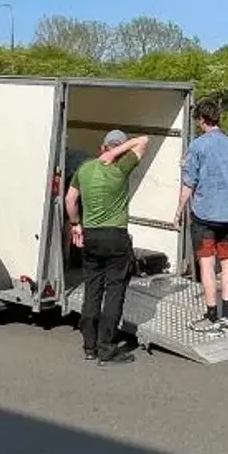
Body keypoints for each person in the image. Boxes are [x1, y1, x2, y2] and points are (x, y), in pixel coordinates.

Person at [65, 129, 150, 366]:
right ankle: (106, 348)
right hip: (116, 237)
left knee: (92, 290)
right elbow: (143, 140)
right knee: (114, 292)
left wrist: (75, 224)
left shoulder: (84, 169)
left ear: (101, 148)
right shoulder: (121, 168)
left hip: (90, 236)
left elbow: (70, 201)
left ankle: (89, 346)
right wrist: (116, 154)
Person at [177, 100, 228, 334]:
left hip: (205, 214)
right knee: (227, 261)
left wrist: (178, 210)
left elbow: (189, 182)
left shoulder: (198, 146)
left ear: (201, 120)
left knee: (207, 263)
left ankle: (211, 314)